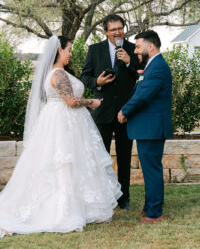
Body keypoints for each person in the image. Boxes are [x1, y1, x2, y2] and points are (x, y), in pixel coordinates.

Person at [0, 35, 122, 238]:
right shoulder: (58, 74)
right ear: (59, 50)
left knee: (71, 164)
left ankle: (78, 206)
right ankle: (62, 210)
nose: (70, 53)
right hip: (63, 123)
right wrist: (94, 102)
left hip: (64, 121)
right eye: (69, 50)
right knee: (64, 163)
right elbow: (71, 101)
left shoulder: (57, 72)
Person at [81, 14, 142, 210]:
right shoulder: (95, 50)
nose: (117, 32)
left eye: (120, 28)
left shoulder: (134, 49)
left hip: (125, 112)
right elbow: (84, 77)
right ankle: (104, 197)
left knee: (124, 157)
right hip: (102, 111)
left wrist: (127, 62)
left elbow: (141, 75)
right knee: (101, 157)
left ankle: (124, 198)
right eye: (113, 29)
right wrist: (96, 83)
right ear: (105, 32)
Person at [118, 30, 173, 224]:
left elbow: (144, 96)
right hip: (147, 127)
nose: (136, 51)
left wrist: (124, 111)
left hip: (152, 128)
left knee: (152, 170)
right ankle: (149, 206)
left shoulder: (158, 67)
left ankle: (155, 213)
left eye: (138, 46)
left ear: (151, 46)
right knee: (150, 169)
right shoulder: (151, 66)